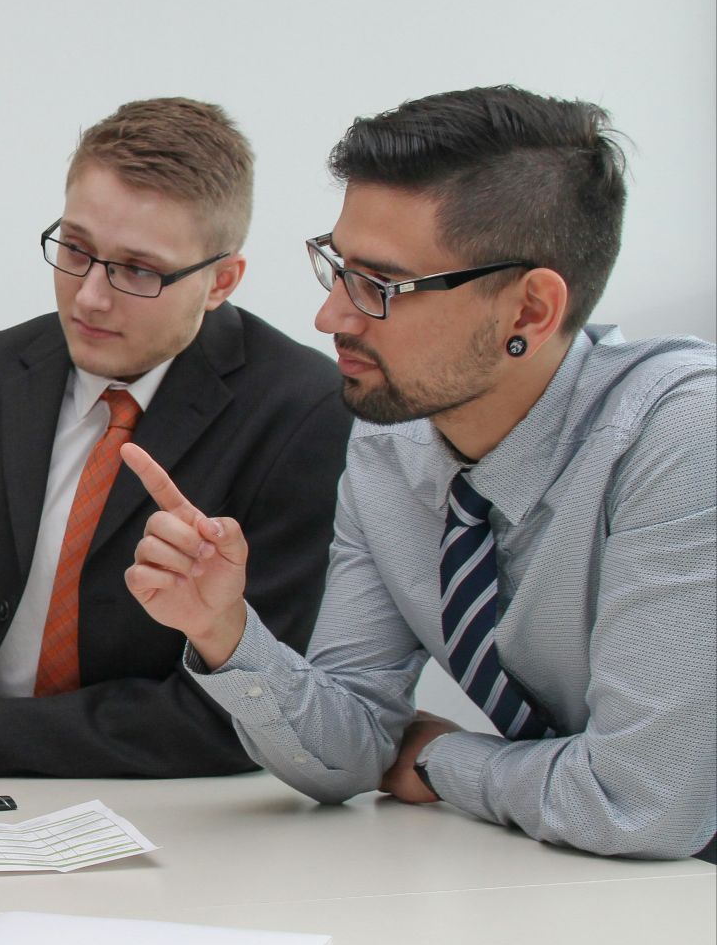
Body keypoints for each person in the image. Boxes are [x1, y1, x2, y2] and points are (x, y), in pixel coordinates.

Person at [125, 85, 716, 861]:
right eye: (336, 268)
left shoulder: (680, 437)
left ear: (530, 313)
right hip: (593, 889)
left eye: (379, 287)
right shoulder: (391, 446)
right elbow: (351, 751)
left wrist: (441, 760)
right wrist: (225, 630)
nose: (331, 317)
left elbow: (641, 806)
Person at [0, 98, 351, 806]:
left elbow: (249, 703)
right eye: (75, 249)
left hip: (176, 812)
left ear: (222, 281)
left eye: (138, 271)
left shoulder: (303, 411)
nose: (88, 297)